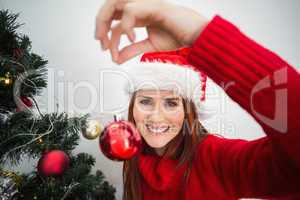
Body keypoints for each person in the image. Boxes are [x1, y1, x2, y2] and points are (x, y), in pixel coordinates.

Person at [95, 0, 300, 199]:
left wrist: (198, 33)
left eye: (171, 102)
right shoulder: (133, 157)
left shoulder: (220, 159)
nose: (155, 116)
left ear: (188, 110)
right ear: (133, 106)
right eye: (146, 101)